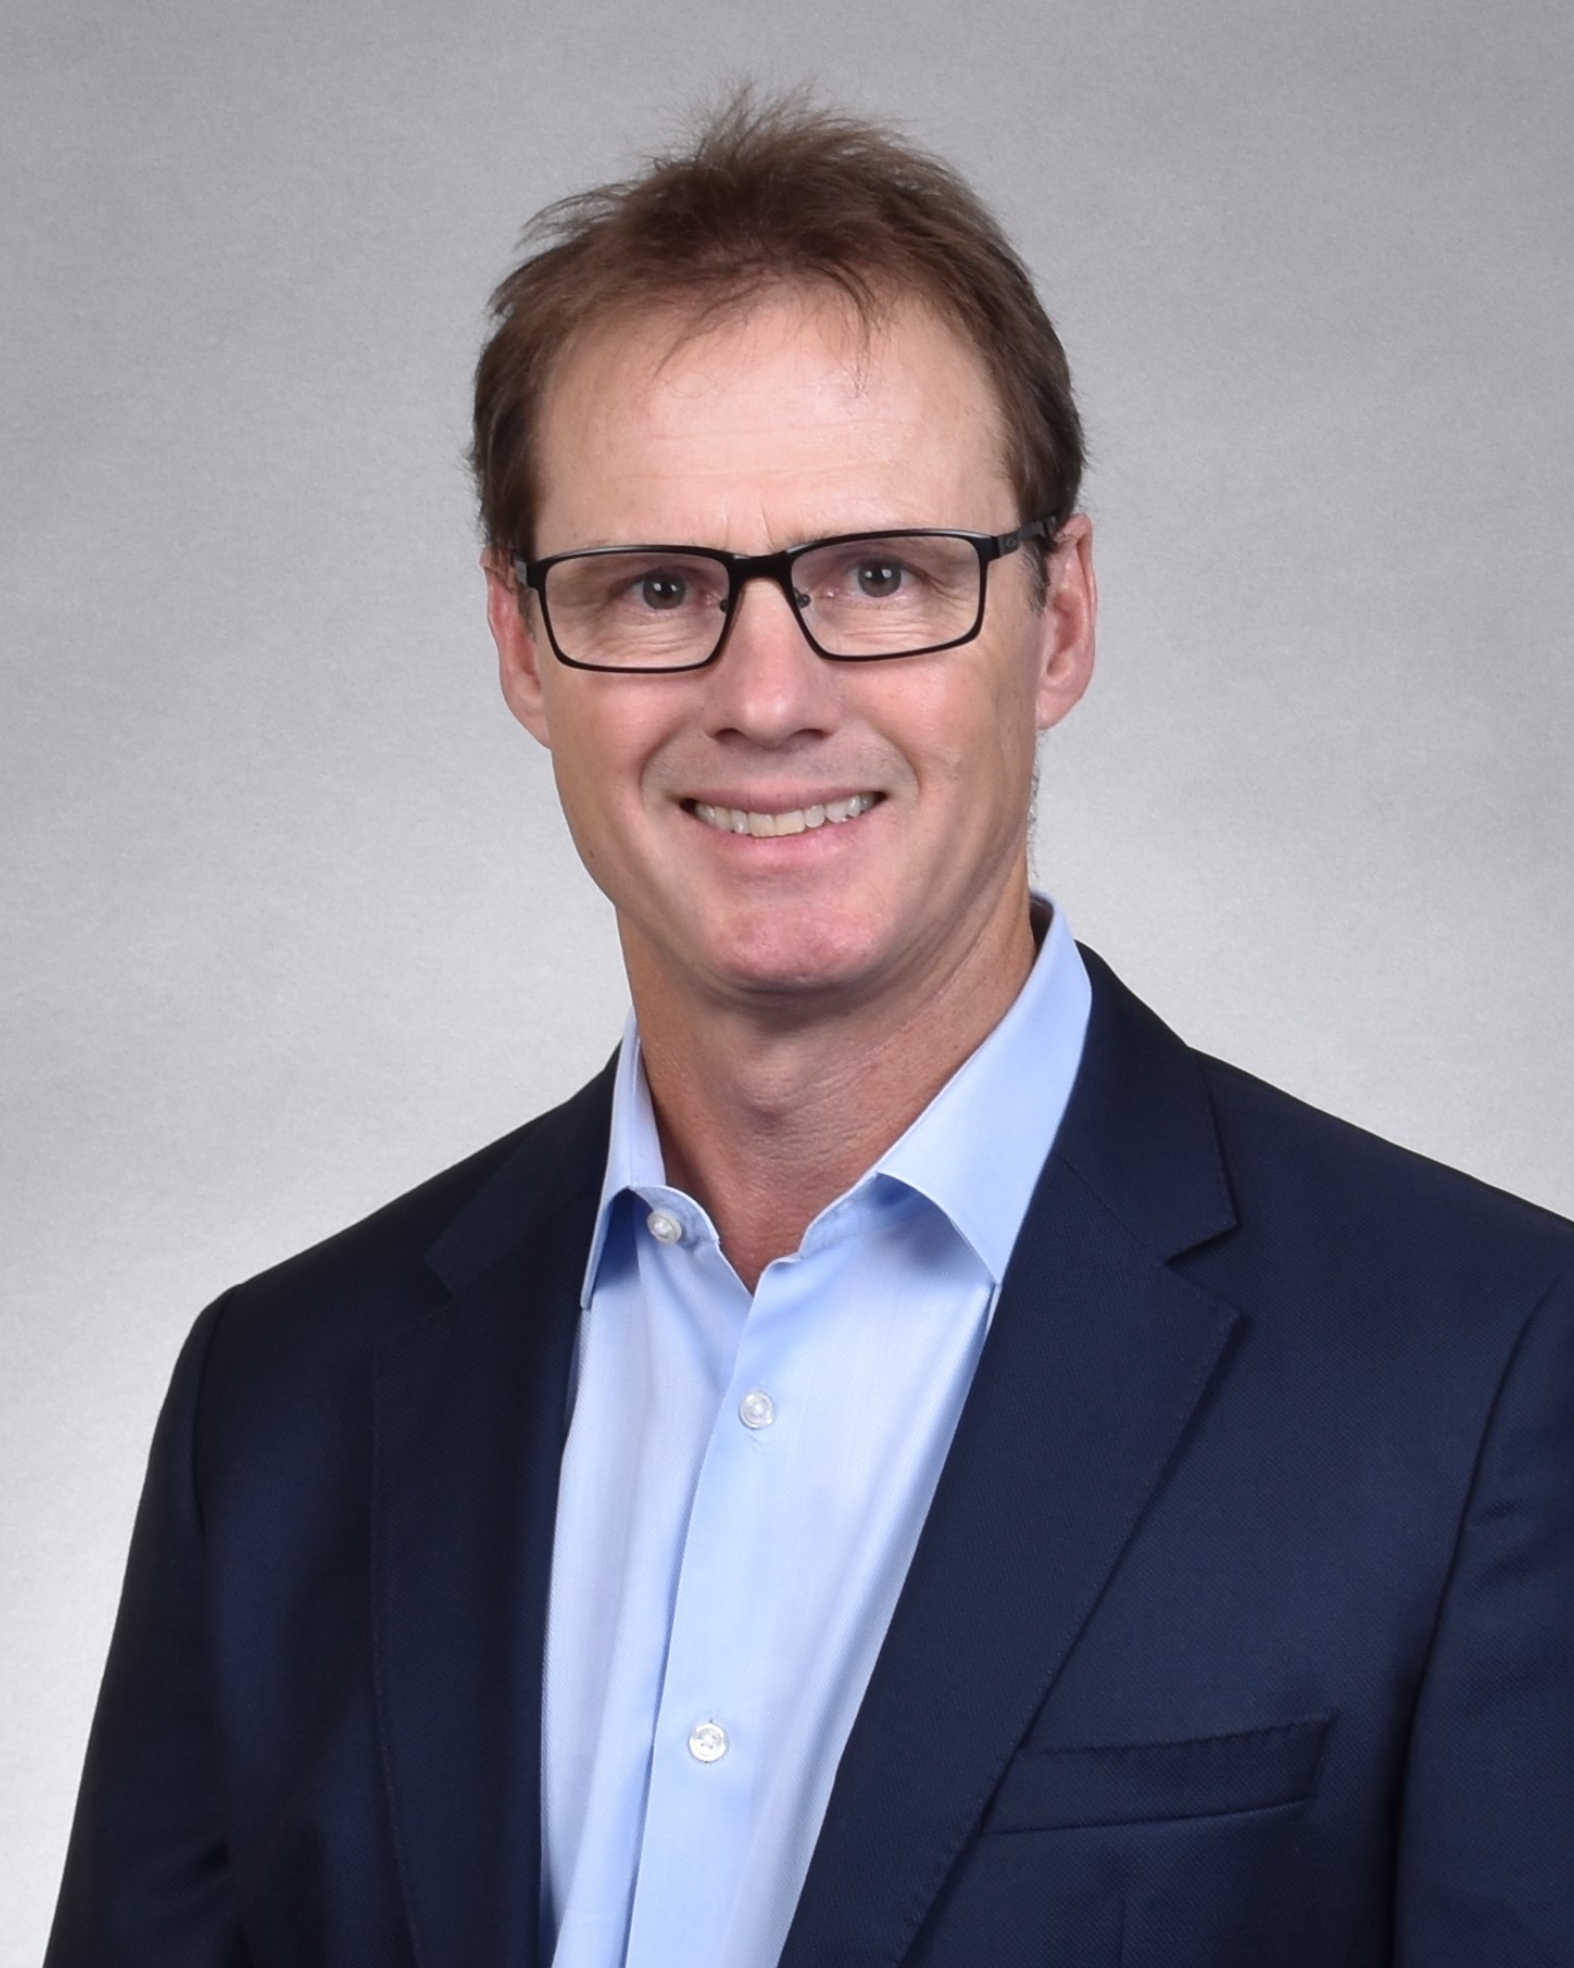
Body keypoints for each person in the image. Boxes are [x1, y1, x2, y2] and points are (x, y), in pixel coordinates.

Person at [45, 92, 1574, 1968]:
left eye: (879, 575)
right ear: (526, 649)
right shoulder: (272, 1408)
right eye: (657, 588)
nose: (766, 695)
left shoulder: (1489, 1378)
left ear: (1058, 620)